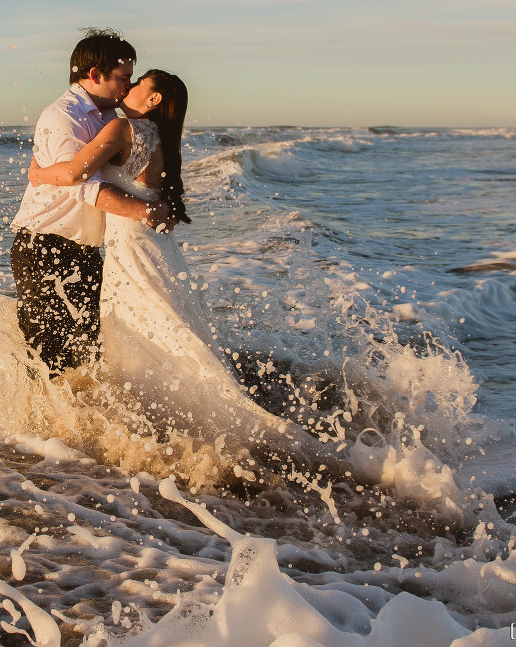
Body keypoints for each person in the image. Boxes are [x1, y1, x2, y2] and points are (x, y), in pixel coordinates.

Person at [28, 70, 352, 485]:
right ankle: (175, 423)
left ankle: (163, 431)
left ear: (153, 98)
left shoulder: (122, 127)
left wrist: (38, 175)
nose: (128, 88)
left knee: (144, 327)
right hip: (156, 245)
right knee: (168, 323)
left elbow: (74, 172)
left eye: (137, 82)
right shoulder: (159, 137)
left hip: (131, 244)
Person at [10, 29, 179, 376]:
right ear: (95, 75)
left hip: (86, 252)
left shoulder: (110, 118)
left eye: (132, 80)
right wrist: (146, 211)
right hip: (45, 248)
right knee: (49, 360)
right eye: (123, 78)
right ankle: (33, 431)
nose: (127, 88)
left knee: (90, 358)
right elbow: (81, 185)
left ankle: (84, 430)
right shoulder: (65, 116)